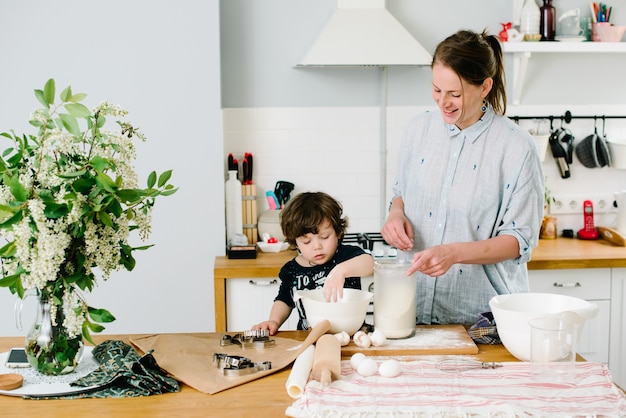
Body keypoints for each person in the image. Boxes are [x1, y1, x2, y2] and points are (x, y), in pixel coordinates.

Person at [381, 29, 544, 326]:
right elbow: (400, 193)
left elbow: (519, 240)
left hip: (482, 321)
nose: (443, 102)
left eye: (455, 94)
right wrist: (395, 214)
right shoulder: (417, 131)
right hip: (412, 310)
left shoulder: (517, 148)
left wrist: (454, 253)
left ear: (484, 87)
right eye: (436, 90)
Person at [252, 191, 374, 335]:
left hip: (353, 338)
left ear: (338, 232)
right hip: (310, 338)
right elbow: (284, 300)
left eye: (324, 237)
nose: (317, 246)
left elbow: (370, 264)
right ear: (295, 242)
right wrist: (274, 321)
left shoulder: (345, 256)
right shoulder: (291, 270)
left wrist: (341, 271)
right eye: (306, 241)